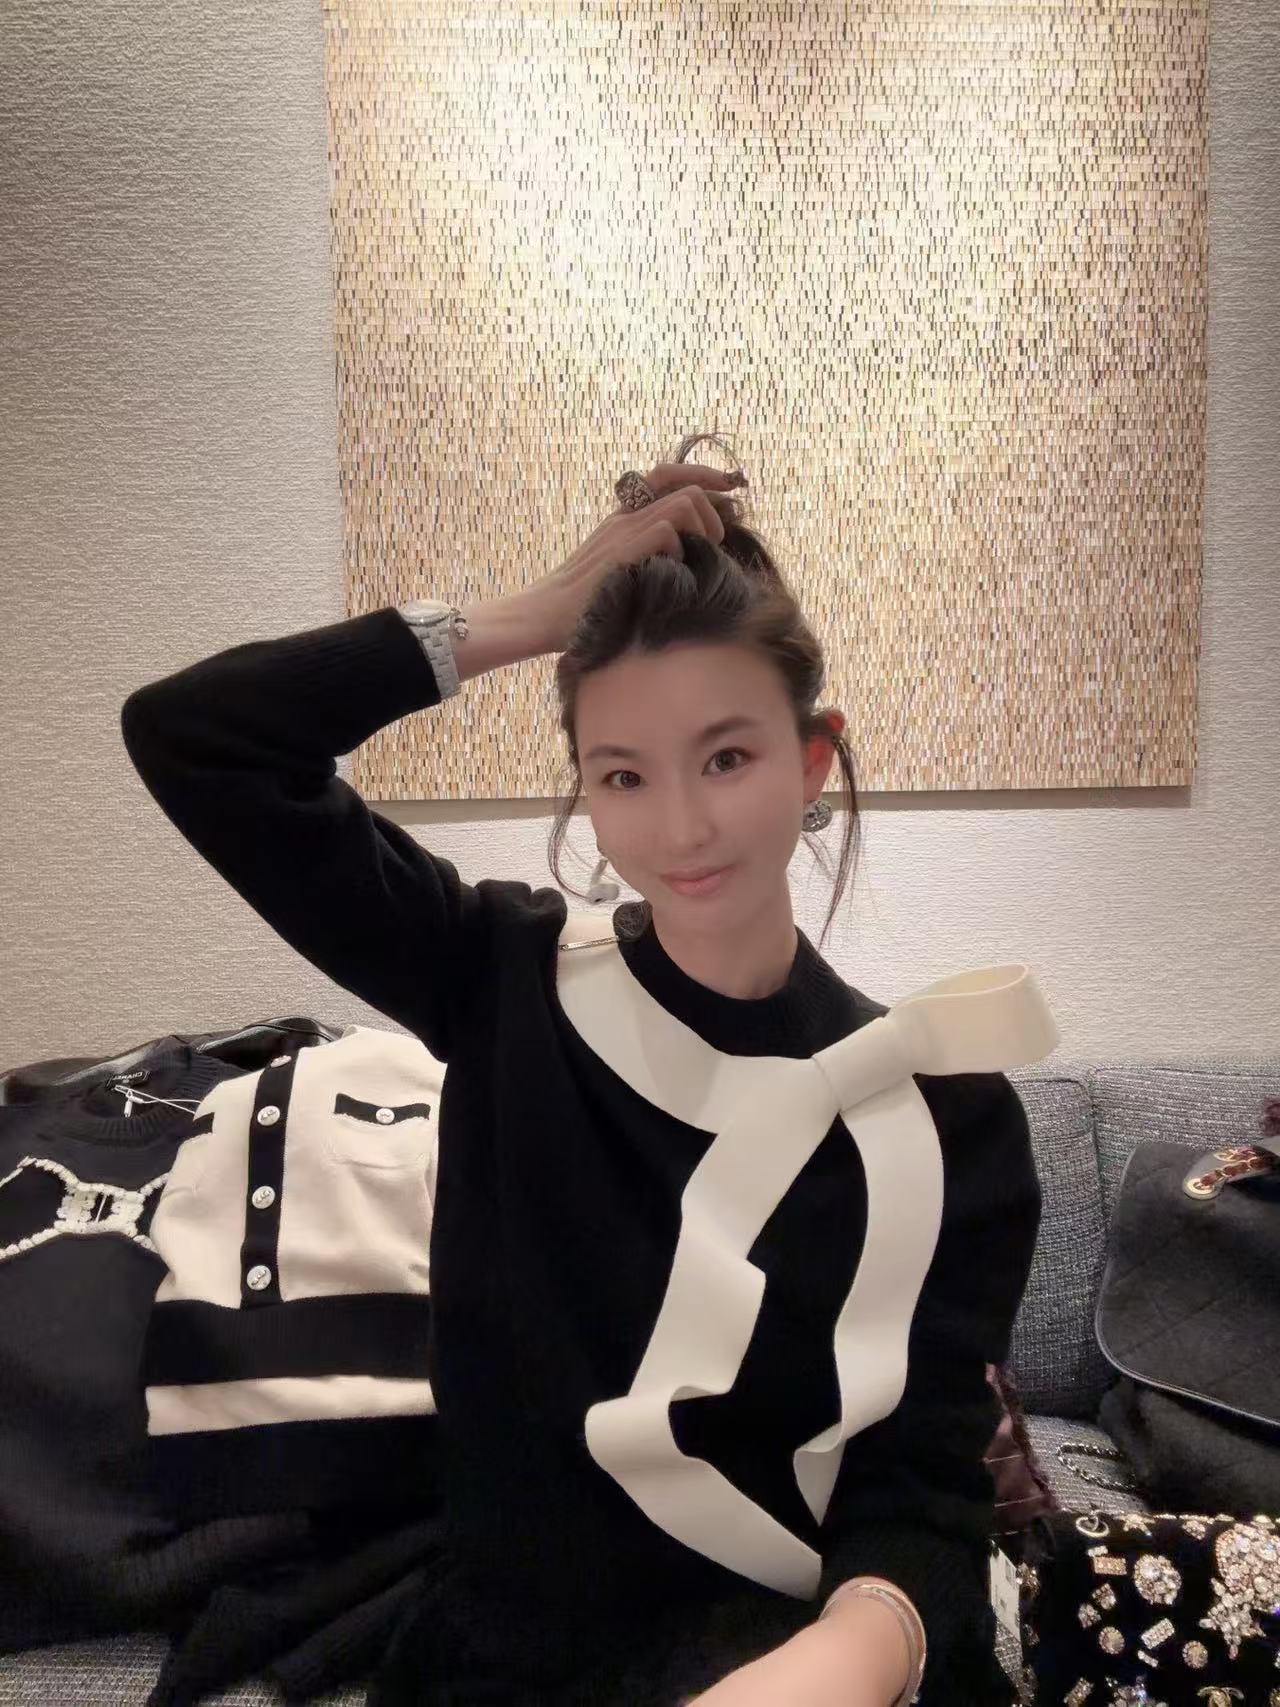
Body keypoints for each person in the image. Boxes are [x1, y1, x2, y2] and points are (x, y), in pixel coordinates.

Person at [120, 433, 1047, 1707]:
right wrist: (531, 618)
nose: (680, 826)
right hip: (511, 1657)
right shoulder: (499, 979)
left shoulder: (946, 1114)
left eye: (726, 757)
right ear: (584, 793)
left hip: (795, 1652)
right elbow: (192, 738)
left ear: (810, 760)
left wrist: (842, 1660)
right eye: (622, 774)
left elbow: (921, 1495)